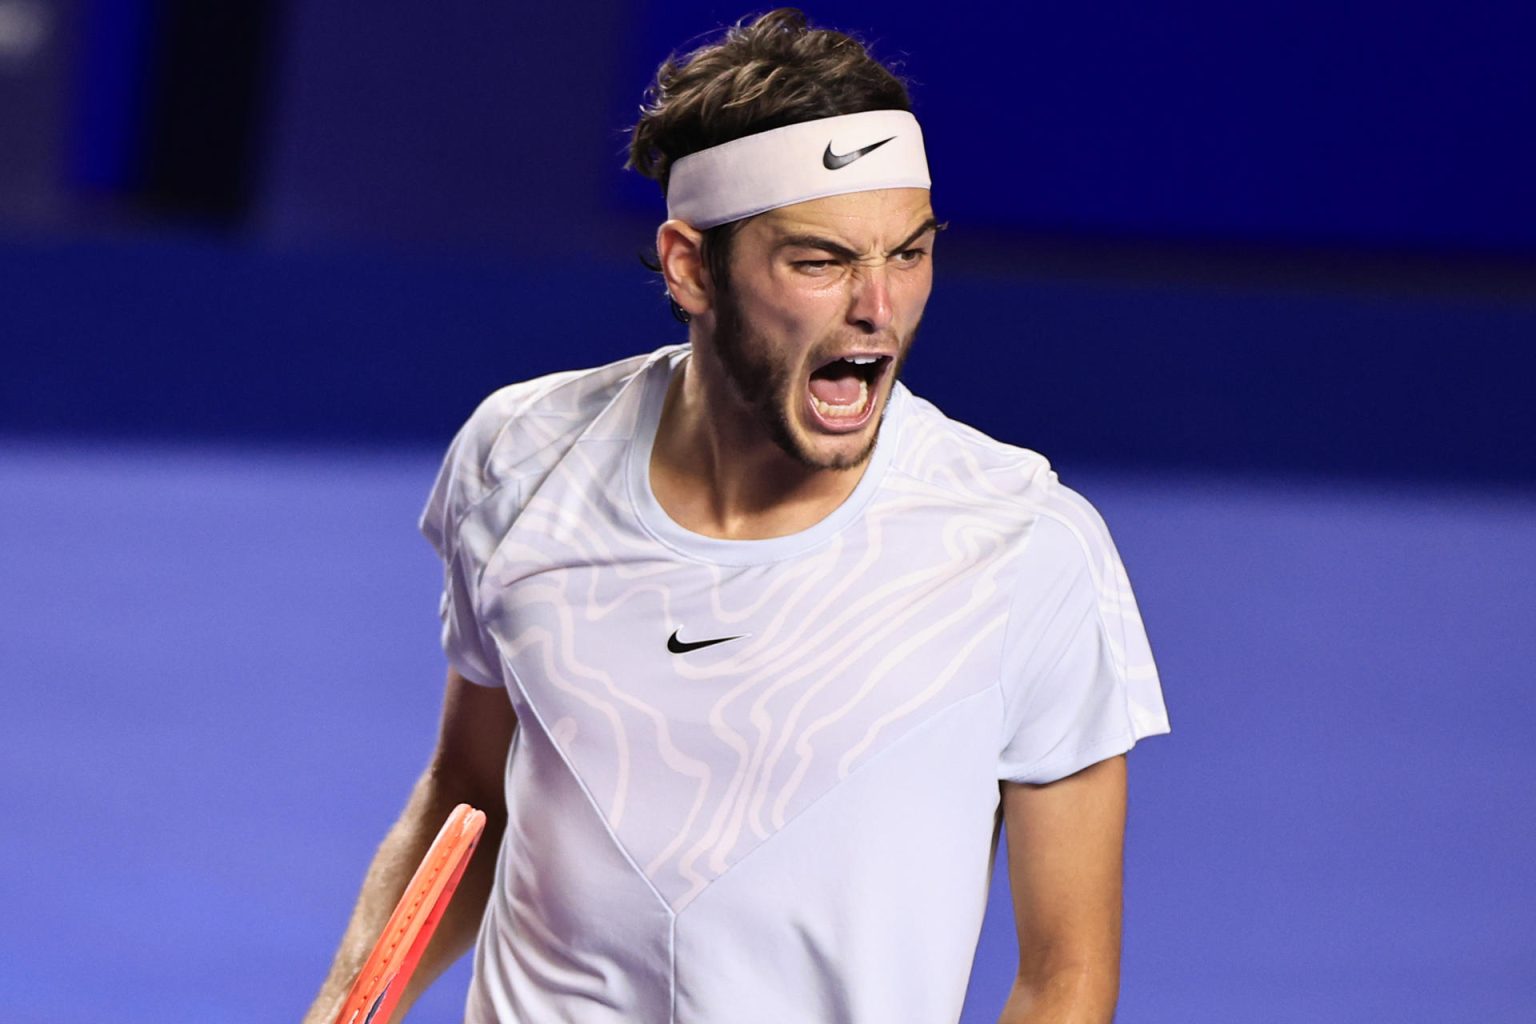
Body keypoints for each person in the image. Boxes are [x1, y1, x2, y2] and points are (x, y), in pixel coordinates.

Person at [303, 9, 1168, 1023]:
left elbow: (1064, 976)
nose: (879, 307)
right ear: (690, 267)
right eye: (820, 261)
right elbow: (472, 798)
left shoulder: (1025, 544)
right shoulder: (521, 458)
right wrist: (337, 1007)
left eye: (910, 253)